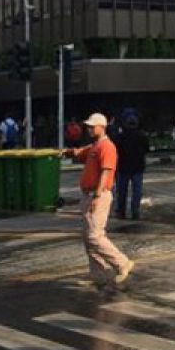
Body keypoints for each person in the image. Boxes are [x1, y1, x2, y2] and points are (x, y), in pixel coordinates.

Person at [63, 113, 133, 288]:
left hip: (97, 195)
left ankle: (121, 262)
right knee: (88, 237)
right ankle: (97, 276)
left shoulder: (107, 147)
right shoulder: (95, 146)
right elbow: (80, 153)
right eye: (88, 126)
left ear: (102, 127)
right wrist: (69, 151)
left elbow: (106, 171)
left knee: (95, 236)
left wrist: (97, 195)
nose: (89, 129)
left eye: (92, 127)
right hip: (88, 194)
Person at [114, 113, 149, 220]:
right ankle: (135, 211)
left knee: (122, 191)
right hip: (138, 167)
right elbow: (146, 149)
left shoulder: (121, 136)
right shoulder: (142, 135)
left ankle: (121, 211)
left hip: (123, 166)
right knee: (137, 191)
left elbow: (116, 149)